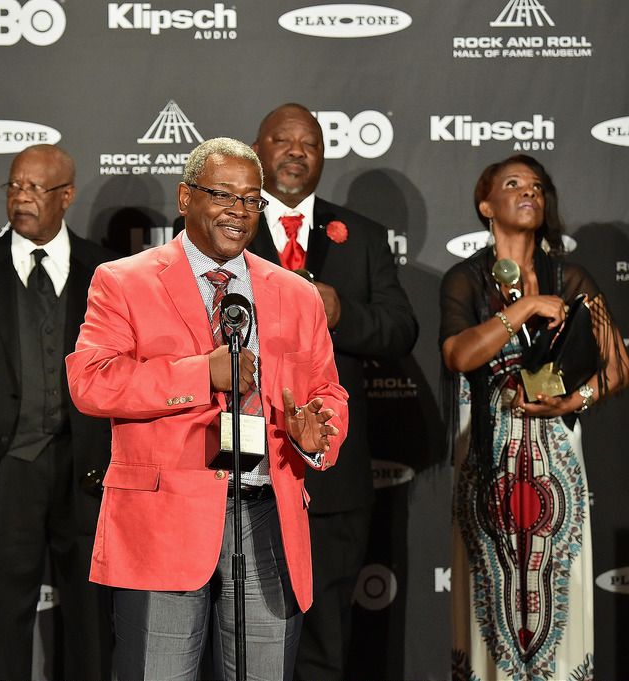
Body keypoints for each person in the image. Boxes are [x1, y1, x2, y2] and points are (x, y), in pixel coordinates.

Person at [66, 137, 349, 681]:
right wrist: (203, 374)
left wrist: (319, 436)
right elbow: (91, 383)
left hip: (267, 516)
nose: (238, 212)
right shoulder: (123, 281)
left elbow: (327, 393)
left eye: (250, 200)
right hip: (161, 520)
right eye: (223, 195)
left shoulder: (295, 294)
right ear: (184, 196)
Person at [439, 155, 629, 680]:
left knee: (559, 590)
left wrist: (572, 403)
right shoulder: (465, 279)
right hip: (484, 464)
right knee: (488, 601)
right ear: (486, 205)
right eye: (513, 184)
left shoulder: (573, 277)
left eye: (538, 187)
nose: (530, 193)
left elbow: (617, 368)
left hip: (559, 467)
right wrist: (523, 309)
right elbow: (458, 355)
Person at [0, 144, 116, 681]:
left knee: (92, 628)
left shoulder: (108, 272)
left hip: (86, 472)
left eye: (36, 188)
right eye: (14, 186)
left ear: (67, 196)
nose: (21, 197)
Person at [249, 102, 418, 680]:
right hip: (243, 470)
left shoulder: (361, 237)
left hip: (332, 479)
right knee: (243, 640)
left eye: (310, 143)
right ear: (257, 148)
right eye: (282, 139)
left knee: (324, 641)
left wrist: (342, 310)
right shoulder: (221, 226)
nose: (297, 151)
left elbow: (400, 330)